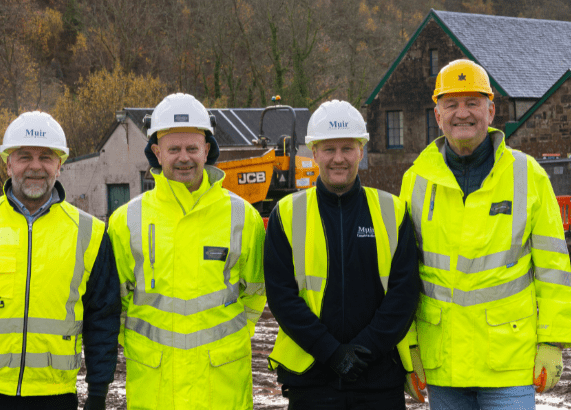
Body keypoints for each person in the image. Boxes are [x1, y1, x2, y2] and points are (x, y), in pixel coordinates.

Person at [400, 59, 571, 409]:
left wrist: (552, 342)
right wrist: (408, 347)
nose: (462, 113)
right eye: (451, 104)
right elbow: (402, 275)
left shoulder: (529, 177)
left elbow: (554, 268)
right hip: (443, 362)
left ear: (491, 111)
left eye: (473, 103)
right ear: (437, 116)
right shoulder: (416, 181)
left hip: (507, 365)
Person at [0, 112, 121, 410]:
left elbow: (102, 319)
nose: (35, 166)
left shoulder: (90, 234)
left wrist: (97, 393)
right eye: (24, 156)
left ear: (59, 165)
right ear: (8, 164)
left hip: (53, 397)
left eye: (46, 157)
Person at [107, 93, 267, 410]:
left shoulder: (242, 216)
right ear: (157, 152)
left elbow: (257, 290)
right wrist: (139, 343)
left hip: (220, 385)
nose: (184, 157)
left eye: (192, 148)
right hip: (156, 386)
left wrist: (228, 338)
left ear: (206, 150)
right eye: (174, 149)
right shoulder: (126, 220)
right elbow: (114, 301)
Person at [264, 100, 422, 410]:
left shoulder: (392, 210)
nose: (339, 159)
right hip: (311, 379)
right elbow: (282, 297)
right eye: (329, 149)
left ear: (361, 151)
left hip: (378, 378)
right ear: (313, 153)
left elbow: (404, 294)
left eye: (347, 149)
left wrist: (364, 350)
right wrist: (332, 353)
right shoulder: (287, 213)